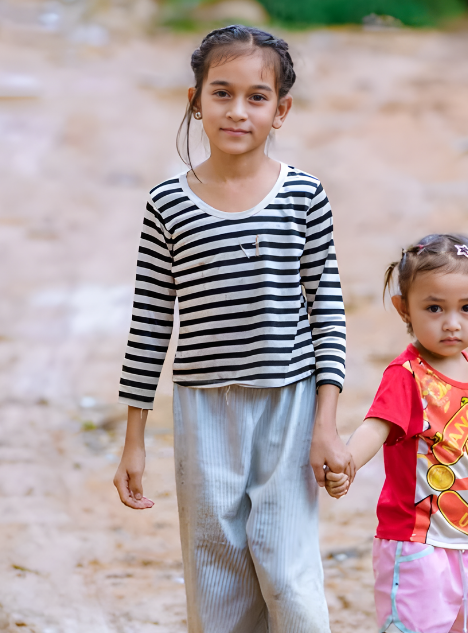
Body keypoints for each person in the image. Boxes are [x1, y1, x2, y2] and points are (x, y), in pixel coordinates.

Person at [112, 24, 351, 633]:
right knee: (216, 569)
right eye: (220, 93)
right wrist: (134, 437)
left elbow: (327, 310)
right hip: (203, 410)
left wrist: (326, 423)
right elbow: (150, 321)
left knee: (288, 570)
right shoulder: (168, 204)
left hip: (289, 406)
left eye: (256, 97)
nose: (237, 111)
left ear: (282, 110)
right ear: (194, 100)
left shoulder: (304, 196)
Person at [323, 234, 468, 633]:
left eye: (467, 308)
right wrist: (346, 460)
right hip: (415, 545)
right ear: (404, 309)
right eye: (434, 308)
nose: (451, 323)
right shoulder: (407, 376)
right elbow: (377, 425)